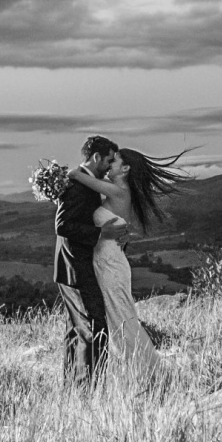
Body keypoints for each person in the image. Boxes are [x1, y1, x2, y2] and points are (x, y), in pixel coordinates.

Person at [65, 147, 188, 378]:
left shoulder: (117, 190)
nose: (108, 165)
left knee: (121, 320)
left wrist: (54, 178)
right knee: (117, 319)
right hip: (107, 262)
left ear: (125, 168)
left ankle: (147, 374)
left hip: (110, 265)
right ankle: (136, 373)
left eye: (113, 161)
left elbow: (77, 175)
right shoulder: (117, 190)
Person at [54, 135, 130, 385]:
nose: (109, 167)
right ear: (96, 157)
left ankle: (74, 387)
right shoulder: (77, 185)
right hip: (76, 267)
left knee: (78, 329)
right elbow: (62, 225)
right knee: (95, 326)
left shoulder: (88, 183)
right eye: (108, 160)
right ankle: (89, 386)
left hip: (80, 266)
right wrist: (101, 233)